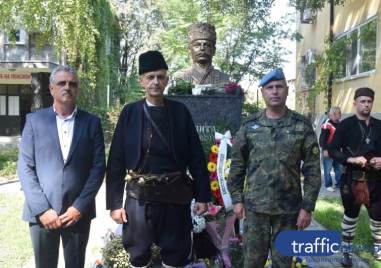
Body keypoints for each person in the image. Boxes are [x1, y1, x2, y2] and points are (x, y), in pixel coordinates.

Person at [106, 51, 211, 268]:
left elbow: (196, 157)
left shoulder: (180, 112)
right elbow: (116, 161)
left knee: (177, 255)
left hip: (175, 198)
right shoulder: (129, 113)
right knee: (138, 254)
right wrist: (115, 204)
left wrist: (202, 195)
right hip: (139, 199)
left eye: (160, 76)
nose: (155, 81)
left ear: (167, 80)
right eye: (150, 77)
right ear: (141, 81)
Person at [227, 67, 321, 268]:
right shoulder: (249, 126)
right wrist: (236, 199)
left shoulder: (302, 126)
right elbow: (237, 164)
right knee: (252, 263)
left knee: (284, 264)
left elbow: (313, 170)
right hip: (255, 210)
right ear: (263, 92)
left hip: (288, 212)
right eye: (270, 87)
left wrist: (307, 207)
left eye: (279, 87)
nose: (275, 91)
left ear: (287, 90)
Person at [17, 65, 106, 268]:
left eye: (72, 84)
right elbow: (25, 167)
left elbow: (98, 168)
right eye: (62, 83)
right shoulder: (34, 121)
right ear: (51, 89)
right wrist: (42, 210)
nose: (67, 87)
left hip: (76, 215)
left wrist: (79, 207)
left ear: (78, 89)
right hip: (41, 214)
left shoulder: (92, 123)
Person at [329, 87, 381, 267]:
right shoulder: (345, 125)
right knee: (350, 216)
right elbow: (333, 150)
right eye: (363, 101)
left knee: (378, 218)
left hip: (376, 179)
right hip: (352, 179)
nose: (366, 104)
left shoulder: (379, 125)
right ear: (355, 103)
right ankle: (347, 253)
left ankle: (379, 252)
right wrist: (351, 159)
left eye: (369, 102)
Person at [319, 106, 342, 192]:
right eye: (339, 113)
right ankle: (328, 185)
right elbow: (322, 138)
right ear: (334, 114)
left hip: (337, 150)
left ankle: (339, 184)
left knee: (338, 167)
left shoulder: (339, 123)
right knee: (327, 168)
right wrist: (325, 150)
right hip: (328, 149)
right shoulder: (327, 123)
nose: (341, 114)